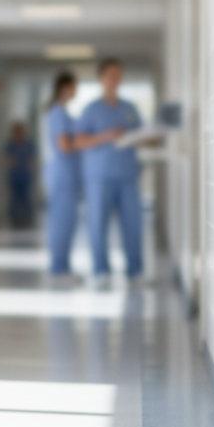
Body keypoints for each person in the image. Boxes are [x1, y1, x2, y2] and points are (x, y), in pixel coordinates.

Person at [75, 58, 144, 279]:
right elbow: (78, 141)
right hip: (99, 177)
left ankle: (135, 269)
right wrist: (106, 136)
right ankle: (100, 269)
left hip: (127, 175)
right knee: (97, 225)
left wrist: (148, 138)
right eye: (111, 75)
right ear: (101, 79)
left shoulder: (129, 108)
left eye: (118, 75)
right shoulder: (91, 109)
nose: (115, 79)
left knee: (133, 224)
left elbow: (140, 134)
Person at [43, 71, 81, 275]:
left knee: (67, 221)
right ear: (65, 87)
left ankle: (63, 265)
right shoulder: (57, 113)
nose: (76, 91)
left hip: (66, 175)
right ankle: (58, 267)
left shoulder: (62, 112)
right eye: (74, 86)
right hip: (62, 175)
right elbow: (64, 145)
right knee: (61, 222)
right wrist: (88, 141)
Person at [4, 122, 36, 227]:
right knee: (15, 197)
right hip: (15, 174)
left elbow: (32, 159)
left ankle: (26, 217)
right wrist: (13, 162)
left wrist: (26, 164)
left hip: (25, 173)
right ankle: (15, 218)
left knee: (25, 197)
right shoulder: (11, 144)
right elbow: (7, 158)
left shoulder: (29, 144)